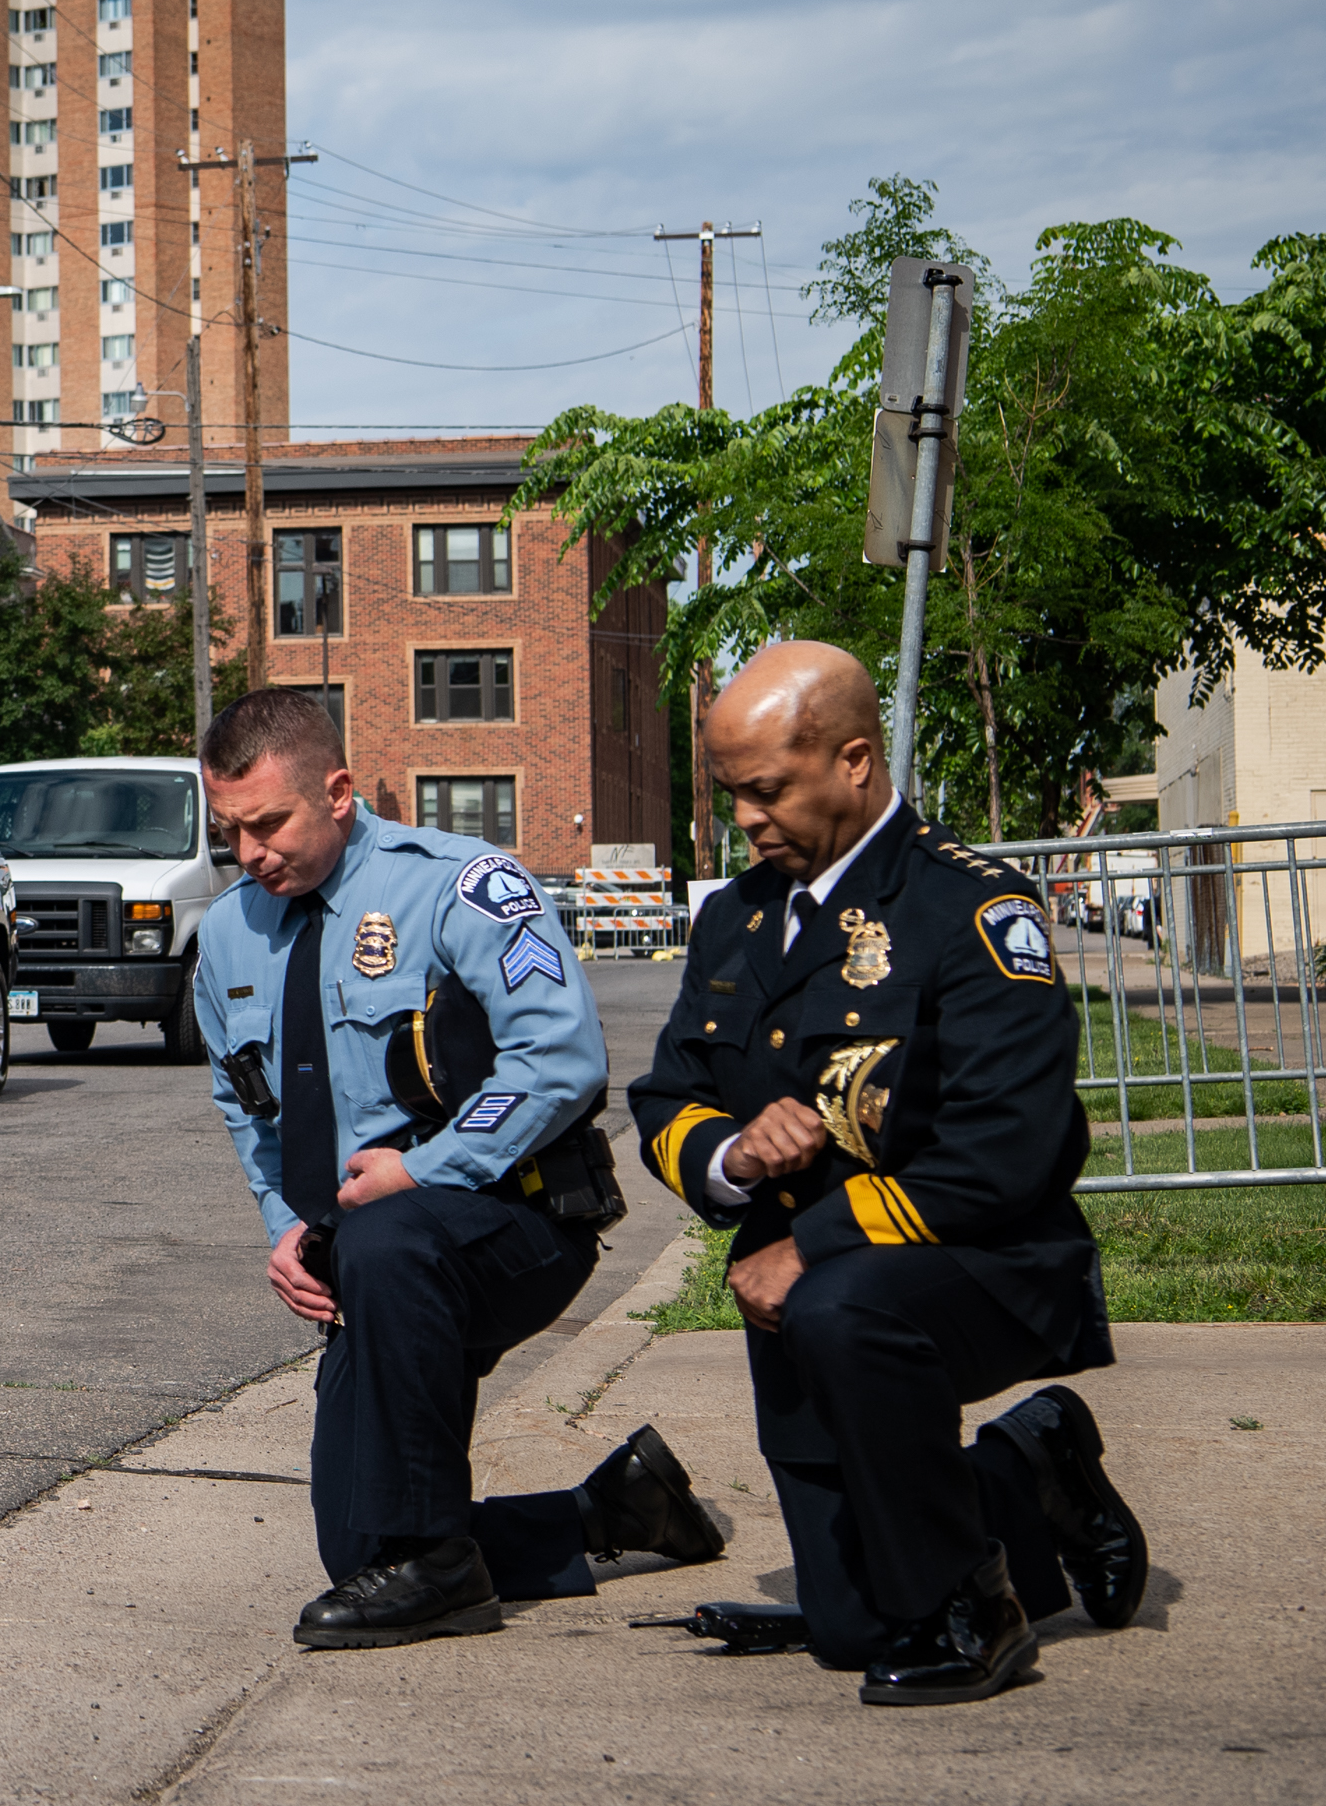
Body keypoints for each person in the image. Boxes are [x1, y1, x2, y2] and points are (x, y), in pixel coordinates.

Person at [629, 641, 1147, 1705]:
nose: (746, 819)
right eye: (732, 794)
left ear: (855, 760)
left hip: (981, 1259)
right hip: (801, 1295)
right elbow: (665, 1094)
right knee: (849, 1625)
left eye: (768, 789)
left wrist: (808, 1243)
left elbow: (1005, 1149)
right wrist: (732, 1151)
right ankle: (1028, 1467)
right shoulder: (733, 917)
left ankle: (973, 1606)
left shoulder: (969, 909)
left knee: (841, 1308)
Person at [196, 687, 723, 1649]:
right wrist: (284, 1224)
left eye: (267, 824)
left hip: (515, 1223)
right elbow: (246, 1102)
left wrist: (425, 1168)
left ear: (338, 792)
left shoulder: (459, 885)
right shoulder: (231, 932)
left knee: (389, 1237)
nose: (250, 852)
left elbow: (559, 1057)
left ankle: (443, 1567)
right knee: (360, 1547)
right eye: (228, 830)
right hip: (375, 1262)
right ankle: (612, 1509)